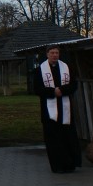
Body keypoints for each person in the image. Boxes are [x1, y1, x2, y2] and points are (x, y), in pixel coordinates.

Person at [33, 45, 79, 173]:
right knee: (53, 139)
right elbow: (37, 89)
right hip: (49, 111)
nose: (54, 55)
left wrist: (62, 90)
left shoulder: (67, 68)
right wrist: (53, 92)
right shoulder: (39, 70)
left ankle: (69, 164)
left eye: (56, 53)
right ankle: (57, 166)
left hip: (65, 110)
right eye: (52, 53)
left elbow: (74, 85)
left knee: (67, 137)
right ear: (47, 54)